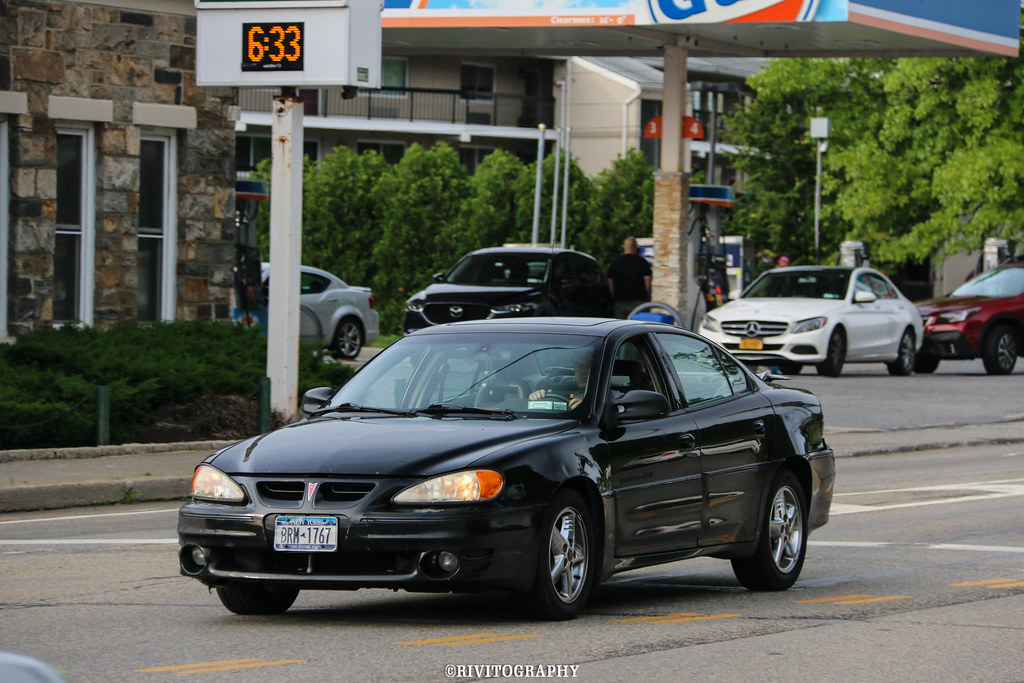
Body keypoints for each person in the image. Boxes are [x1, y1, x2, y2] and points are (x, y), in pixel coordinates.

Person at [607, 237, 653, 319]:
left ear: (624, 247)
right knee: (639, 327)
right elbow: (647, 282)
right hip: (639, 301)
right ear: (636, 247)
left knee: (620, 327)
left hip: (620, 301)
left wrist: (614, 297)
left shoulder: (615, 262)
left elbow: (610, 282)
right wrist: (648, 296)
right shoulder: (642, 262)